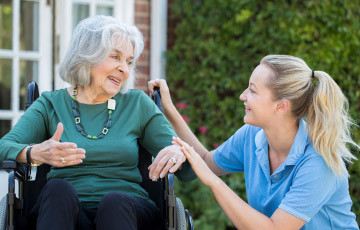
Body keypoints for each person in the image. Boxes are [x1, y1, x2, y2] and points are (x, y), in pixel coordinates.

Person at [0, 15, 194, 230]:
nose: (125, 69)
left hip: (128, 212)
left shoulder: (137, 104)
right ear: (87, 56)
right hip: (64, 212)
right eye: (115, 57)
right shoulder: (50, 104)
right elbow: (3, 148)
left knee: (115, 203)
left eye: (128, 61)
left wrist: (179, 153)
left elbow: (188, 171)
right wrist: (34, 153)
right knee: (57, 190)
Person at [148, 55, 359, 229]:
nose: (242, 96)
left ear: (281, 106)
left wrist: (212, 181)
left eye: (252, 90)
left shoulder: (318, 161)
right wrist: (169, 109)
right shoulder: (253, 135)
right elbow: (206, 160)